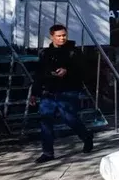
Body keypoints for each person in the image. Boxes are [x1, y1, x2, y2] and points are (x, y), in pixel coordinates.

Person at [29, 24, 94, 164]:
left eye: (64, 35)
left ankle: (87, 136)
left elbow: (84, 71)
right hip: (49, 91)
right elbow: (39, 74)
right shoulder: (45, 53)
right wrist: (34, 93)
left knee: (69, 118)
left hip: (68, 90)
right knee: (45, 120)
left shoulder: (74, 52)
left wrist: (68, 71)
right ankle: (47, 152)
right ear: (52, 36)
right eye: (58, 36)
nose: (62, 38)